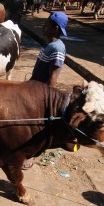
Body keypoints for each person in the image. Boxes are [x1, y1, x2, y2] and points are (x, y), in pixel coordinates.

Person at [25, 12, 68, 170]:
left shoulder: (57, 48)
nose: (43, 27)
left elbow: (53, 78)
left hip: (41, 94)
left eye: (47, 25)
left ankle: (30, 155)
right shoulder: (50, 45)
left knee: (35, 126)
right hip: (34, 88)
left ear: (55, 28)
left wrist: (46, 102)